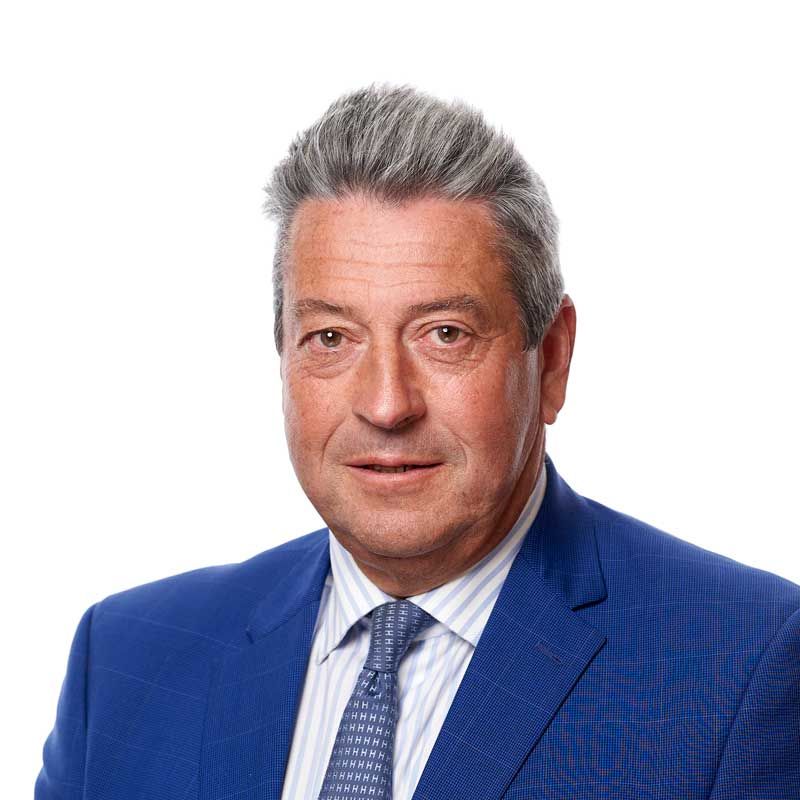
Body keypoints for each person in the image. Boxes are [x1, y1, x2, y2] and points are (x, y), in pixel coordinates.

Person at [36, 85, 800, 800]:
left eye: (445, 335)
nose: (386, 405)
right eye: (330, 337)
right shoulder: (125, 662)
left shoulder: (745, 665)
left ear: (552, 359)